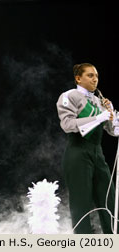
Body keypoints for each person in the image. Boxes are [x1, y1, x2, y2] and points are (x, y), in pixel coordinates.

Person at [56, 63, 119, 233]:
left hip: (97, 154)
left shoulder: (99, 101)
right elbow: (68, 124)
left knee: (110, 200)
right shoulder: (69, 96)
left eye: (96, 76)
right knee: (81, 203)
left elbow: (114, 132)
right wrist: (99, 117)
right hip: (78, 152)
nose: (95, 79)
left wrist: (112, 115)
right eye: (90, 75)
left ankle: (113, 239)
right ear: (78, 78)